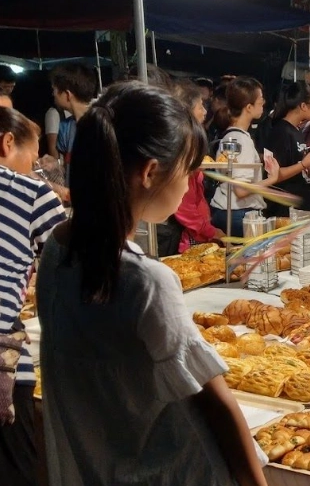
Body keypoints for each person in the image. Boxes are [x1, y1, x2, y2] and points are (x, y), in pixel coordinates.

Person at [35, 81, 267, 486]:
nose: (190, 183)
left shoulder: (57, 250)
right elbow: (217, 405)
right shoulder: (146, 281)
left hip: (93, 465)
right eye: (189, 170)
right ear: (150, 172)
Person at [0, 107, 66, 486]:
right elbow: (73, 263)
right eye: (33, 153)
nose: (34, 166)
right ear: (8, 142)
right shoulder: (28, 192)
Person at [209, 77, 281, 236]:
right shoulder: (242, 140)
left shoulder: (230, 136)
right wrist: (272, 179)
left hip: (223, 210)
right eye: (260, 100)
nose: (263, 103)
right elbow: (241, 190)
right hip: (240, 214)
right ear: (249, 107)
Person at [172, 80, 225, 253]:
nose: (205, 111)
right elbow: (184, 205)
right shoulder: (182, 146)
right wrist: (208, 230)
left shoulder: (192, 141)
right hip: (187, 233)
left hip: (199, 227)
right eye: (200, 106)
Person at [262, 80, 310, 217]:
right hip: (283, 211)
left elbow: (295, 164)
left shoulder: (296, 130)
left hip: (299, 208)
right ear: (303, 105)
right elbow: (274, 175)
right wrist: (304, 164)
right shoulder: (281, 132)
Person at [50, 63, 96, 174]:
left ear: (67, 94)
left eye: (54, 90)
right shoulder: (65, 127)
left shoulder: (101, 125)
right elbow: (67, 164)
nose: (53, 94)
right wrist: (55, 164)